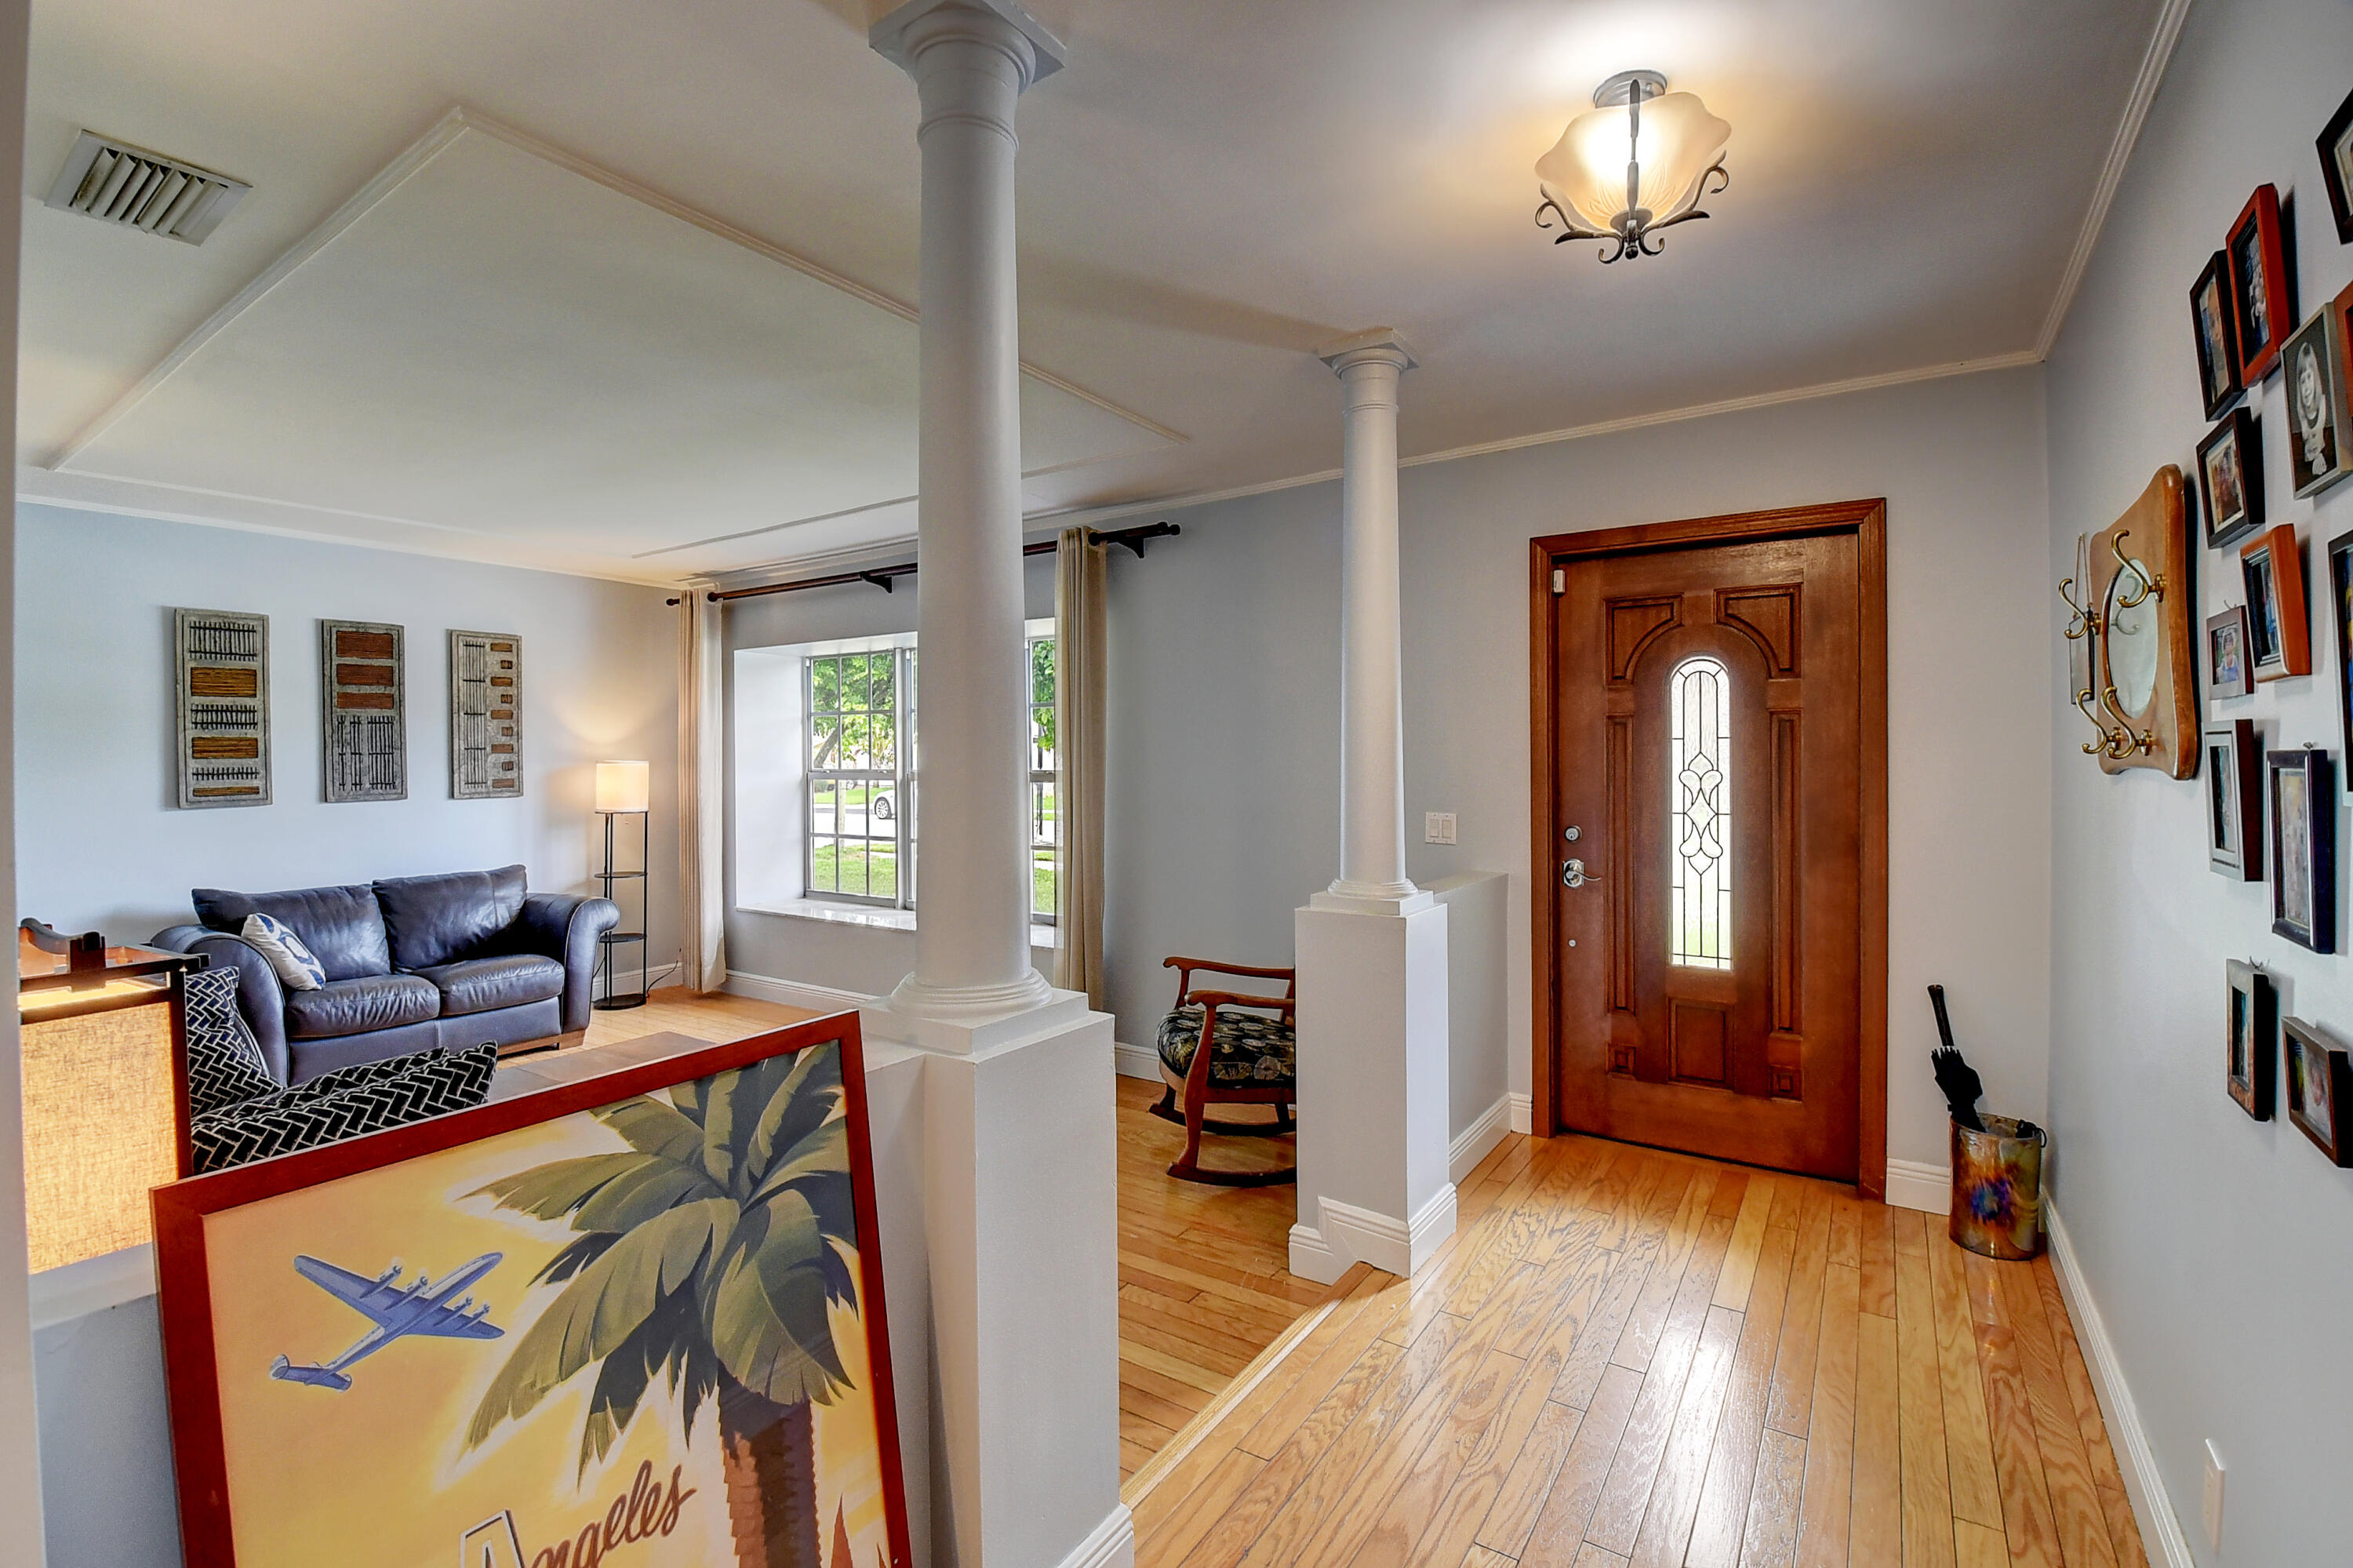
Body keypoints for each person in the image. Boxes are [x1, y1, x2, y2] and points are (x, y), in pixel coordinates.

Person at [2296, 340, 2336, 480]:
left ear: (2316, 377)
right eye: (2302, 380)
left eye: (2309, 377)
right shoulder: (2298, 420)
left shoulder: (2327, 410)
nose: (2306, 387)